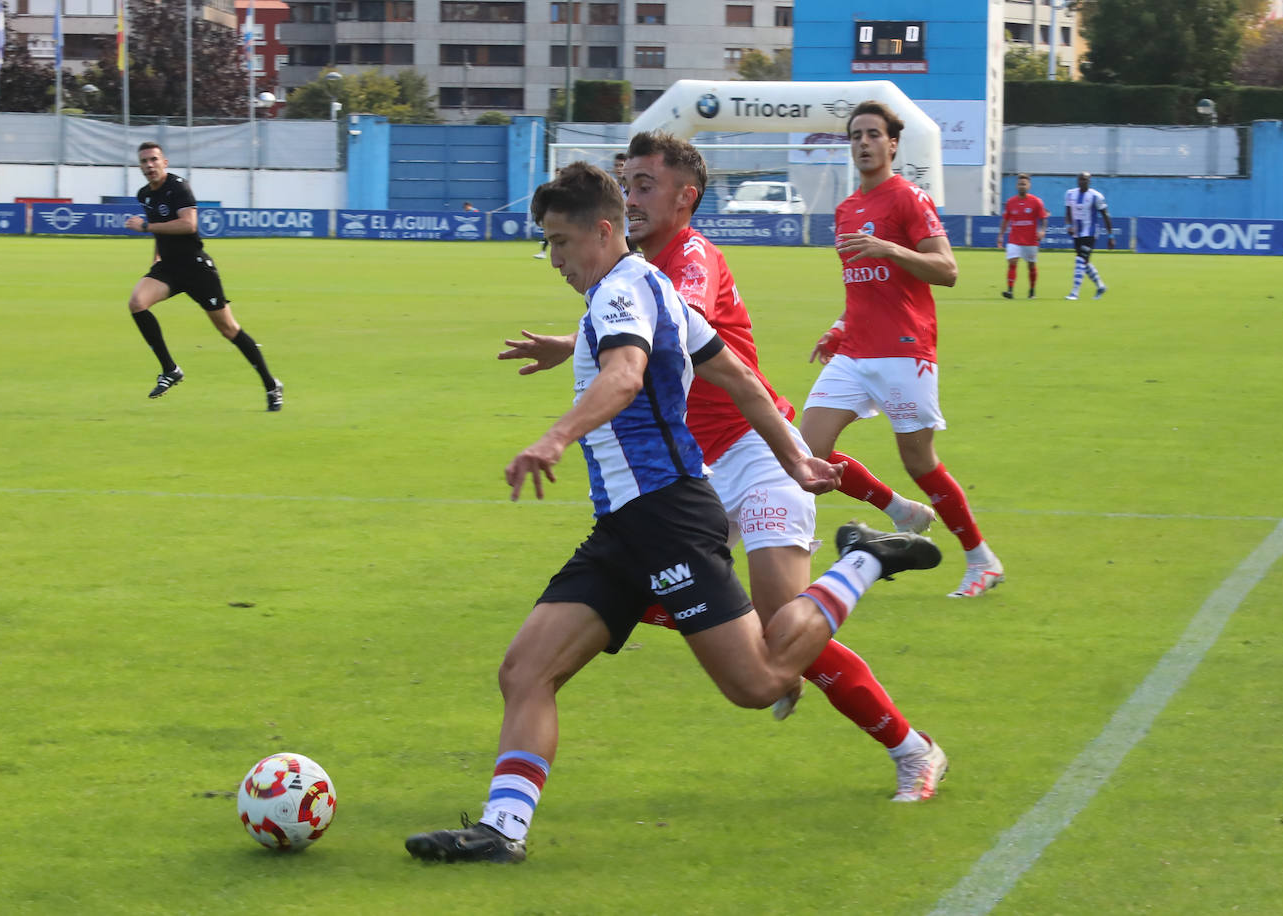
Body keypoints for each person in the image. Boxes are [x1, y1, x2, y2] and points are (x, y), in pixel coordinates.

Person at [406, 162, 941, 865]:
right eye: (547, 244)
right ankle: (503, 831)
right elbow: (742, 379)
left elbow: (627, 376)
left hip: (668, 518)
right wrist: (797, 459)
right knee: (525, 670)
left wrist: (554, 437)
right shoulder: (647, 289)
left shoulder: (622, 293)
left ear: (604, 231)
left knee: (759, 682)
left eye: (562, 242)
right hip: (625, 527)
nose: (555, 259)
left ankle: (865, 558)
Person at [803, 100, 1004, 599]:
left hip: (904, 352)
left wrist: (890, 248)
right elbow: (863, 286)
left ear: (893, 144)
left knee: (920, 461)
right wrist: (838, 326)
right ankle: (897, 510)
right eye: (856, 136)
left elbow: (948, 271)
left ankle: (981, 558)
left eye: (873, 134)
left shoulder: (909, 199)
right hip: (854, 353)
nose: (864, 143)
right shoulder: (847, 209)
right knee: (805, 452)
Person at [122, 141, 282, 411]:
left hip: (196, 269)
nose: (149, 166)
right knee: (137, 303)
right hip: (168, 269)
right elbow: (160, 233)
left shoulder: (179, 187)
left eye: (153, 160)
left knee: (228, 329)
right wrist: (156, 261)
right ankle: (170, 369)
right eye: (143, 162)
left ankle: (271, 385)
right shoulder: (144, 194)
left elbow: (189, 224)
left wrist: (146, 226)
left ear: (165, 162)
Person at [1063, 171, 1113, 301]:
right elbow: (1068, 212)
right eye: (1080, 179)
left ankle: (1074, 292)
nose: (1082, 182)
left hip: (1090, 233)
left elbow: (1105, 215)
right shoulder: (1070, 194)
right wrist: (1068, 226)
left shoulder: (1096, 196)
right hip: (1076, 233)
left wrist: (1110, 235)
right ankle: (1100, 286)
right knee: (1084, 263)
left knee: (1080, 260)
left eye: (1085, 180)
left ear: (1090, 181)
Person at [997, 173, 1047, 299]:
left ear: (1029, 186)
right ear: (1016, 186)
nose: (1022, 186)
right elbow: (1005, 220)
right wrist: (1001, 235)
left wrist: (1042, 231)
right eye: (1020, 184)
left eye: (1024, 184)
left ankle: (1032, 291)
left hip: (1031, 241)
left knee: (1031, 266)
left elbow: (1043, 219)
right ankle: (1010, 290)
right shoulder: (1010, 202)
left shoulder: (1036, 202)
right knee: (1012, 262)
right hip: (1014, 239)